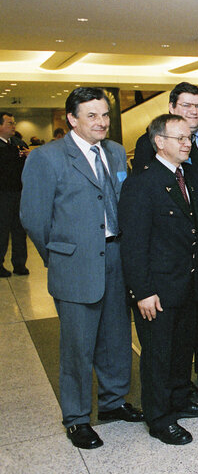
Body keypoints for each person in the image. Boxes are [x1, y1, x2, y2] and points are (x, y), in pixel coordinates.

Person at [20, 88, 143, 449]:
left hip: (116, 256)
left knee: (117, 336)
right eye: (92, 115)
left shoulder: (117, 152)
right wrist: (60, 255)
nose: (101, 122)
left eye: (104, 114)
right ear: (72, 119)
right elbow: (34, 219)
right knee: (78, 346)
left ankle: (113, 401)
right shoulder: (47, 157)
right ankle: (76, 418)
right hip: (75, 264)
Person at [119, 113, 198, 445]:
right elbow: (133, 244)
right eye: (180, 139)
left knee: (180, 349)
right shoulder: (142, 184)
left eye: (189, 138)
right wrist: (143, 291)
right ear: (160, 142)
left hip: (185, 284)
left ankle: (179, 400)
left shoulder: (185, 177)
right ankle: (159, 418)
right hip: (156, 289)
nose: (188, 143)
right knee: (158, 355)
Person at [134, 82, 198, 388]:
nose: (194, 111)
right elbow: (151, 199)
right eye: (187, 106)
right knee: (183, 321)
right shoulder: (152, 143)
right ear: (173, 108)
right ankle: (181, 381)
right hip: (184, 250)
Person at [0, 111, 28, 277]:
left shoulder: (19, 143)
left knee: (19, 229)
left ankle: (19, 263)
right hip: (3, 194)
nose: (13, 126)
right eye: (9, 123)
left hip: (19, 193)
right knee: (2, 230)